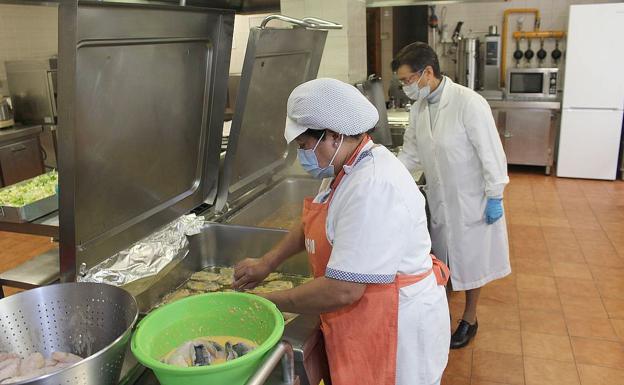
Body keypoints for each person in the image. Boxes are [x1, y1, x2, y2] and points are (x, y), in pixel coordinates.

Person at [233, 78, 450, 385]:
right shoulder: (346, 166)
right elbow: (311, 222)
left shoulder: (373, 185)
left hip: (397, 328)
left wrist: (267, 303)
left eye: (305, 147)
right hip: (371, 316)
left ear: (334, 136)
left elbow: (343, 289)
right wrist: (268, 263)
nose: (303, 157)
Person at [391, 42, 511, 349]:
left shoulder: (468, 103)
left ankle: (469, 318)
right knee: (444, 259)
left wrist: (495, 194)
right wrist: (386, 176)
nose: (405, 87)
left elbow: (491, 152)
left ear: (427, 73)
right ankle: (440, 316)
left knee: (471, 261)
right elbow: (412, 154)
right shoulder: (419, 109)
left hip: (471, 199)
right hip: (441, 199)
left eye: (407, 80)